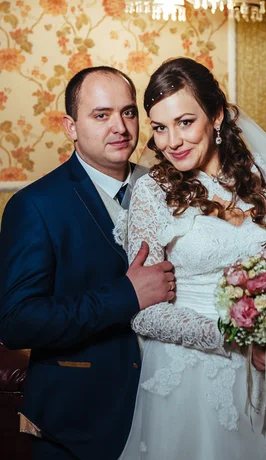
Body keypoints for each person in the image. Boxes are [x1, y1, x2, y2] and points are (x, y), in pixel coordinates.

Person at [117, 57, 266, 460]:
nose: (172, 142)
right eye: (160, 127)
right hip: (188, 377)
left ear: (216, 115)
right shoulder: (152, 194)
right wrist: (234, 338)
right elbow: (143, 311)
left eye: (185, 122)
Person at [0, 66, 175, 460]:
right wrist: (125, 295)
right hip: (79, 424)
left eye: (128, 112)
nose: (120, 127)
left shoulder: (168, 188)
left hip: (171, 402)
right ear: (71, 126)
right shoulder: (34, 206)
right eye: (102, 115)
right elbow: (17, 322)